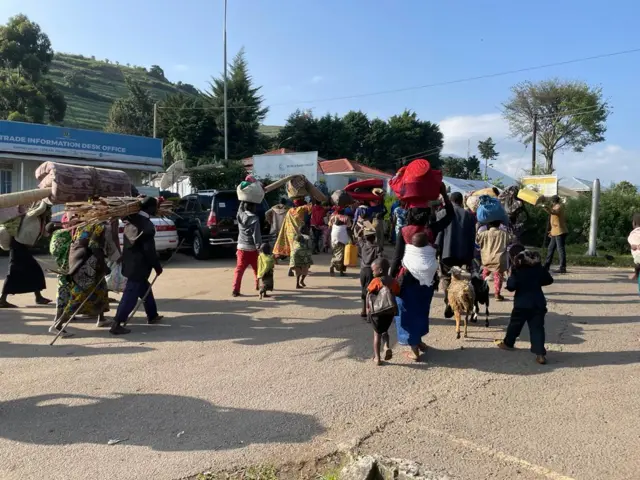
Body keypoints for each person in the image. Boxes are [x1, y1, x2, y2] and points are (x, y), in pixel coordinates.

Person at [390, 184, 453, 361]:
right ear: (427, 216)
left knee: (406, 311)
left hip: (407, 278)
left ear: (409, 215)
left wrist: (390, 277)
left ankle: (414, 348)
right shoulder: (431, 231)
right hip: (427, 280)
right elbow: (450, 216)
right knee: (421, 309)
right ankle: (418, 341)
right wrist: (444, 194)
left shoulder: (404, 232)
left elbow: (397, 257)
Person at [110, 197, 163, 335]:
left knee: (145, 288)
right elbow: (149, 251)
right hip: (139, 267)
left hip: (130, 264)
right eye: (156, 207)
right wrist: (157, 266)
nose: (157, 209)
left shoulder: (131, 220)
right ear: (151, 208)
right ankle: (117, 323)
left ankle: (152, 315)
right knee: (130, 295)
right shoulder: (147, 225)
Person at [50, 222, 111, 336]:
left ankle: (101, 318)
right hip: (86, 265)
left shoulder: (85, 224)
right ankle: (57, 325)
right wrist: (104, 266)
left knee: (101, 289)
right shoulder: (98, 226)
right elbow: (94, 246)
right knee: (78, 296)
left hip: (83, 262)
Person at [495, 249, 554, 365]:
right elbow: (549, 280)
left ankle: (508, 343)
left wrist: (510, 283)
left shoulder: (517, 270)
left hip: (521, 304)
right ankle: (540, 354)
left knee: (515, 324)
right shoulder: (539, 269)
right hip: (538, 304)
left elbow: (511, 286)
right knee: (537, 328)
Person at [436, 191, 476, 317]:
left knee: (446, 278)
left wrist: (437, 250)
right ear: (461, 201)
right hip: (463, 254)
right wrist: (470, 256)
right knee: (459, 278)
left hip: (446, 254)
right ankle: (458, 299)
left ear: (450, 200)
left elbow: (439, 234)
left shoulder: (442, 213)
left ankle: (449, 300)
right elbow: (472, 237)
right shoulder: (469, 215)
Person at [0, 224, 51, 309]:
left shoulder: (28, 219)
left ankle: (38, 297)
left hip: (20, 247)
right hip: (17, 247)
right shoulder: (27, 218)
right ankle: (2, 299)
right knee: (14, 273)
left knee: (33, 270)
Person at [366, 257, 399, 365]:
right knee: (385, 330)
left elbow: (368, 294)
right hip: (389, 312)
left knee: (377, 334)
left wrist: (367, 308)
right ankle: (386, 346)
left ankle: (377, 357)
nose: (372, 272)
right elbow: (397, 291)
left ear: (380, 270)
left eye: (373, 270)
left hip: (377, 313)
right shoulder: (393, 281)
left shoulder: (375, 281)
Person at [273, 198, 312, 274]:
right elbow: (310, 206)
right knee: (299, 251)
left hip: (289, 233)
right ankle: (295, 269)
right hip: (298, 234)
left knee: (292, 251)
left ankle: (291, 268)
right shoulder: (300, 209)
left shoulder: (290, 211)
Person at [476, 220, 512, 301]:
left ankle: (480, 289)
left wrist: (477, 227)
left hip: (487, 259)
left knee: (484, 274)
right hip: (499, 260)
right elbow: (511, 240)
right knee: (498, 276)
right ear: (499, 225)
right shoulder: (504, 234)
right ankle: (497, 294)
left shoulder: (484, 234)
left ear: (489, 224)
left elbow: (477, 241)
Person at [233, 201, 262, 296]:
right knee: (257, 269)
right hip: (252, 248)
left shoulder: (240, 215)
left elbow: (239, 209)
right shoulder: (255, 219)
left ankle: (235, 290)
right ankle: (258, 285)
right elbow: (256, 235)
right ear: (253, 208)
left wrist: (243, 200)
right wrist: (259, 247)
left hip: (241, 247)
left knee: (239, 270)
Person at [358, 226, 383, 317]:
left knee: (364, 290)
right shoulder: (377, 248)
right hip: (372, 272)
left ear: (365, 237)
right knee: (371, 292)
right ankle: (370, 312)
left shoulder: (363, 245)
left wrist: (363, 229)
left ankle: (363, 310)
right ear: (374, 238)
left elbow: (358, 236)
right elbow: (380, 259)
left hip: (363, 271)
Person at [542, 195, 568, 273]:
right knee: (550, 248)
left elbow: (553, 212)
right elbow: (552, 213)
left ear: (553, 201)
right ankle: (546, 266)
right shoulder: (555, 207)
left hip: (560, 231)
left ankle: (562, 267)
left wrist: (545, 206)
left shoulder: (558, 207)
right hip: (555, 231)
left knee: (560, 249)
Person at [328, 209, 352, 276]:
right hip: (342, 238)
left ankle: (340, 271)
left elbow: (329, 225)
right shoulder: (346, 217)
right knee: (342, 255)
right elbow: (349, 227)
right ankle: (333, 265)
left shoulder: (333, 216)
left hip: (334, 237)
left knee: (336, 253)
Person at [628, 212, 640, 291]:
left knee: (637, 263)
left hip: (638, 257)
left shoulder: (633, 234)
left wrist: (635, 246)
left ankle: (636, 274)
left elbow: (633, 245)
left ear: (634, 223)